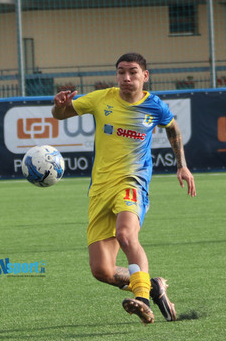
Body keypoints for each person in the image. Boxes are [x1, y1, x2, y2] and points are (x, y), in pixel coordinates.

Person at [52, 52, 196, 325]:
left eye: (132, 72)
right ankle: (153, 286)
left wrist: (182, 165)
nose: (126, 78)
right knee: (102, 270)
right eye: (121, 72)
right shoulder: (101, 98)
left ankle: (142, 300)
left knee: (126, 234)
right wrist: (59, 105)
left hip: (133, 181)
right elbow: (61, 115)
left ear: (145, 76)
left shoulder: (154, 106)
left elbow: (173, 129)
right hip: (99, 190)